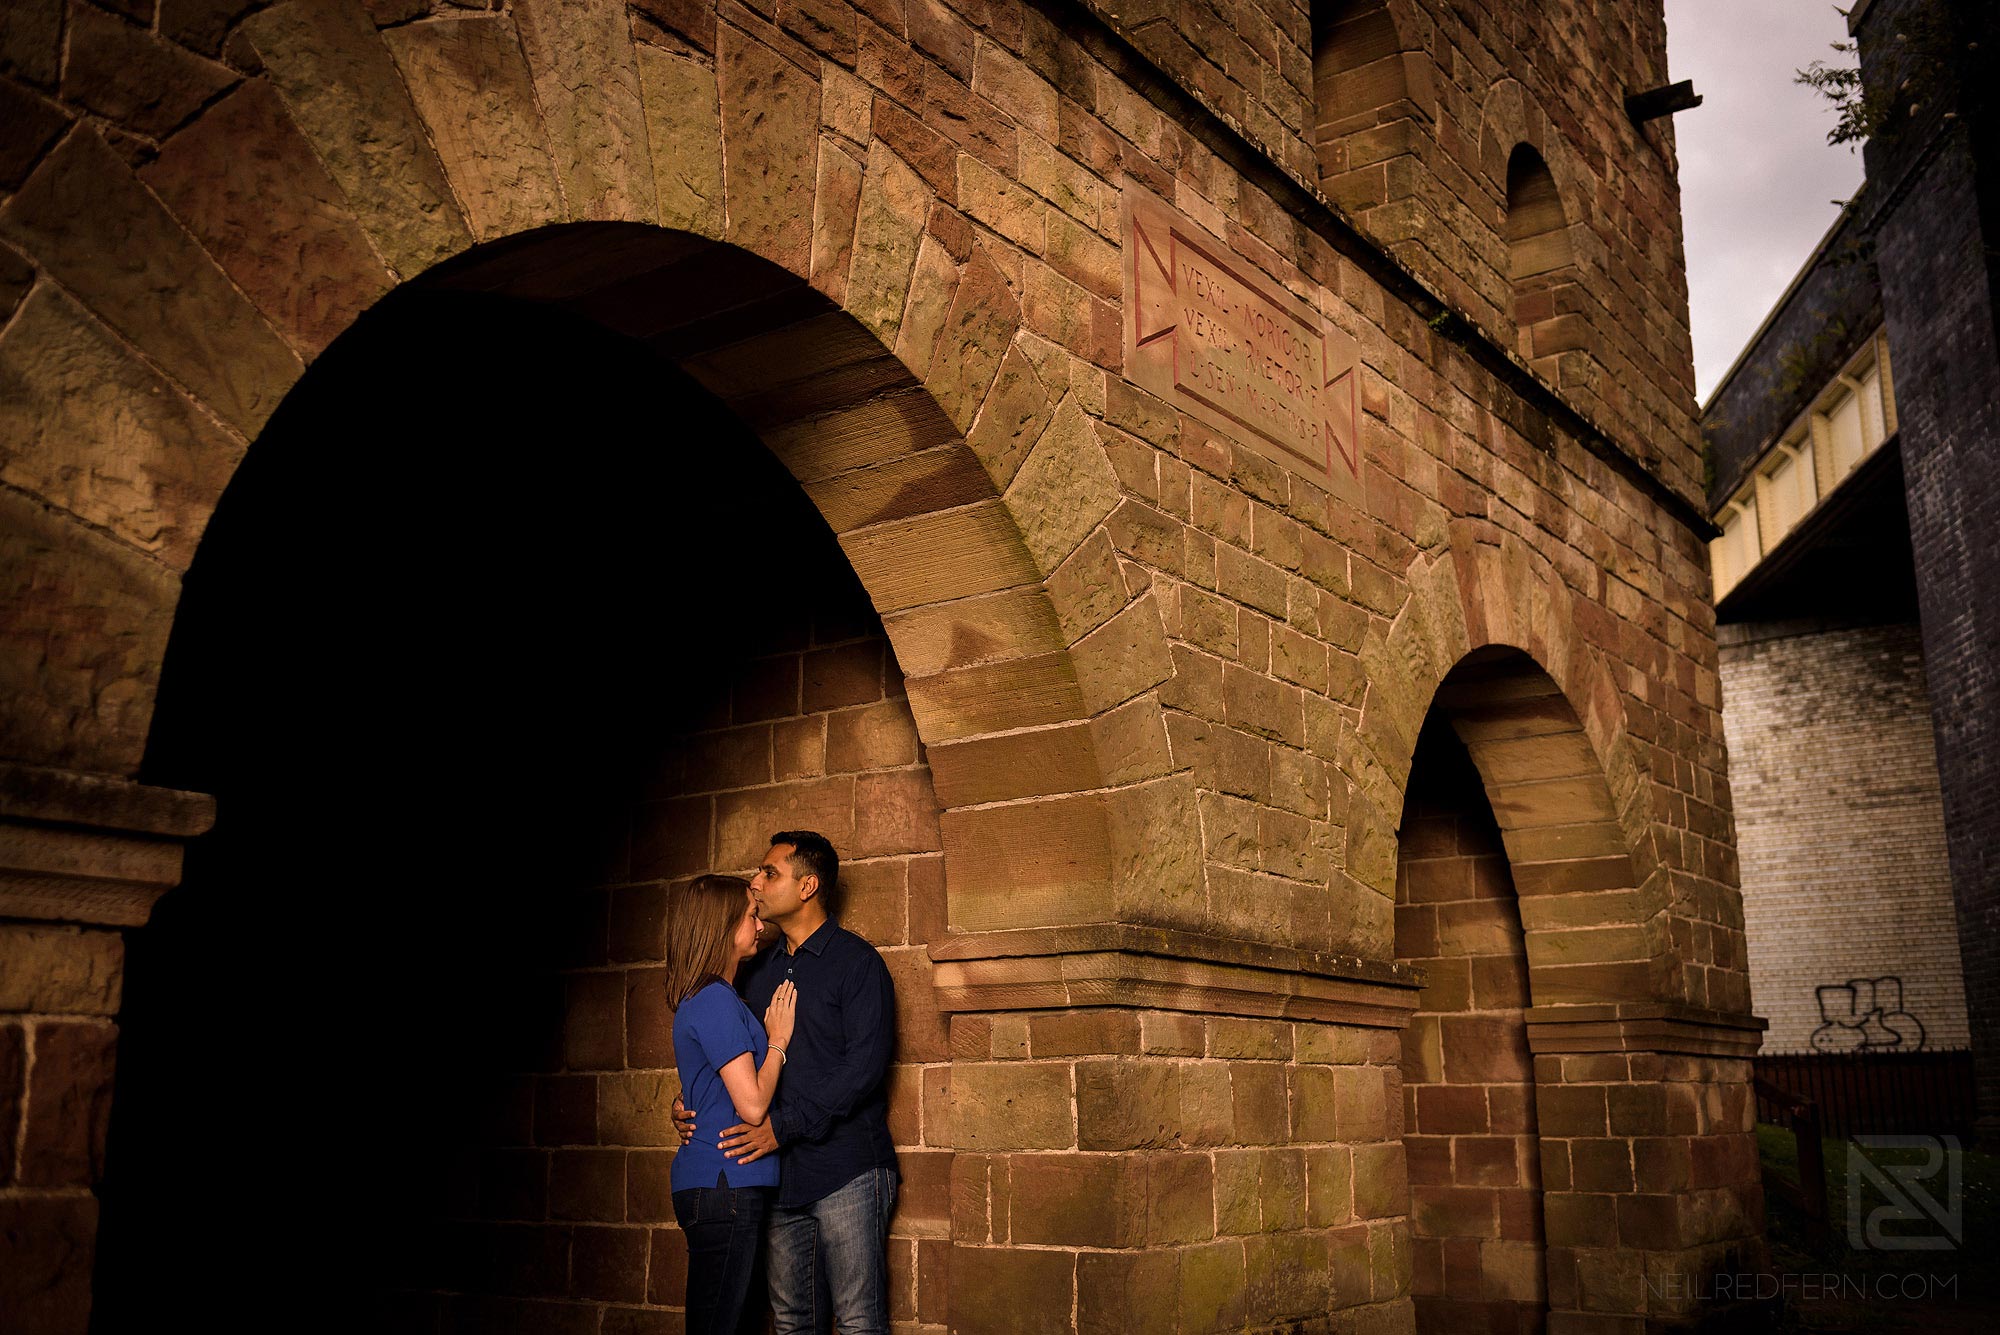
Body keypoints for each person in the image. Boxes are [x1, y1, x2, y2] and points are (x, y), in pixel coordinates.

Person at [677, 831, 899, 1335]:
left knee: (861, 1321)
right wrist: (690, 1100)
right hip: (777, 1179)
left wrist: (785, 1126)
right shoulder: (755, 973)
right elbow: (729, 1055)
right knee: (794, 1322)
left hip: (848, 1170)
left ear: (808, 886)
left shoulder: (858, 964)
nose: (755, 882)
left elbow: (863, 1068)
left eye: (769, 873)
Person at [665, 874, 798, 1335]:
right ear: (722, 927)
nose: (759, 924)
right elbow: (754, 1106)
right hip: (725, 1183)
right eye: (750, 915)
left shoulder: (710, 998)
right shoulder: (715, 1000)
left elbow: (707, 1086)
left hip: (720, 1184)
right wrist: (778, 1041)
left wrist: (682, 1103)